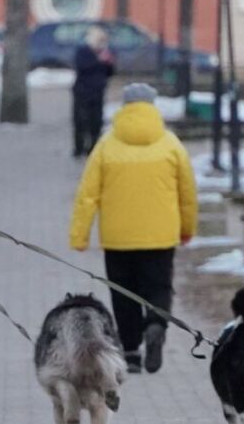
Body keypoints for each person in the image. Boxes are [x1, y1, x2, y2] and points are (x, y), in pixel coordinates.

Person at [69, 83, 197, 374]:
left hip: (118, 237)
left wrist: (79, 235)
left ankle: (130, 352)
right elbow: (187, 193)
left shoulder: (106, 145)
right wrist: (187, 228)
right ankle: (156, 323)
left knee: (123, 292)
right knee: (159, 286)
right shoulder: (170, 144)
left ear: (124, 107)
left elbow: (87, 194)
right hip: (160, 235)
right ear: (153, 106)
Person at [72, 26, 114, 157]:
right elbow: (82, 67)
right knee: (80, 121)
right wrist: (99, 61)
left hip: (98, 91)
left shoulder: (105, 53)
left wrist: (109, 63)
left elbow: (109, 73)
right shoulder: (83, 52)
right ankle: (79, 148)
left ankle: (94, 147)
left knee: (96, 121)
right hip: (82, 91)